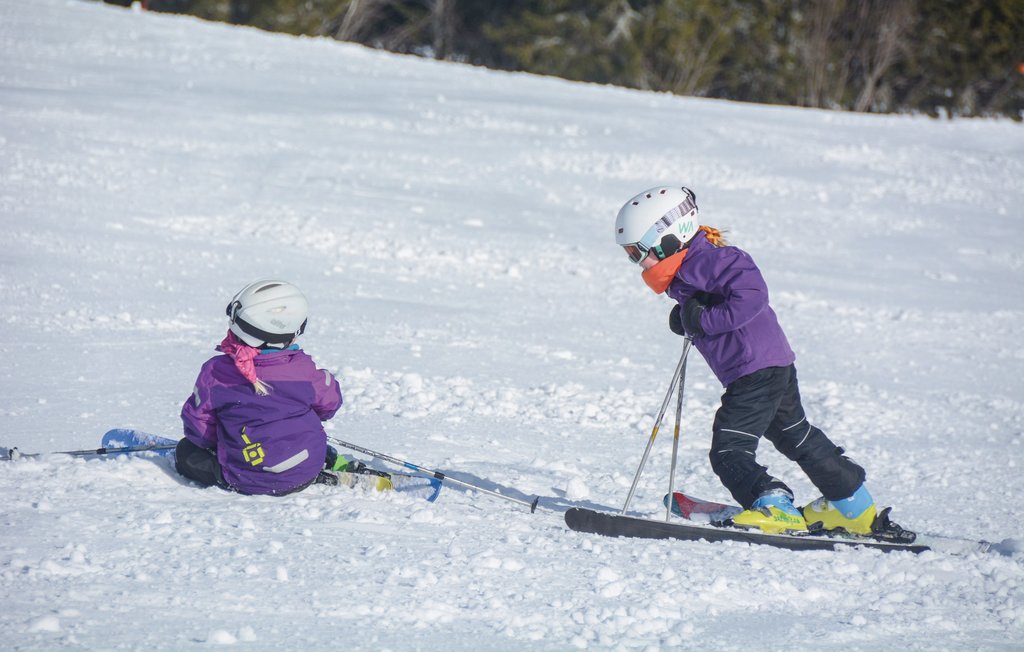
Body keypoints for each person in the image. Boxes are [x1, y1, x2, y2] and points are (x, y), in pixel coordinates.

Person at [614, 186, 877, 535]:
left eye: (637, 252)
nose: (636, 262)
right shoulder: (694, 269)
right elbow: (710, 308)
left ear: (668, 239)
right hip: (769, 364)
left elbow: (752, 296)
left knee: (729, 449)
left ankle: (772, 504)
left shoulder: (713, 260)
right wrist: (689, 317)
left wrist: (699, 318)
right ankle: (853, 505)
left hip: (754, 370)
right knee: (794, 435)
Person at [177, 279, 353, 496]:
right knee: (303, 437)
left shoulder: (215, 372)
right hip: (307, 468)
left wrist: (219, 442)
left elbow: (198, 427)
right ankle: (326, 461)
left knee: (185, 452)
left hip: (248, 477)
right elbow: (330, 403)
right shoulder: (303, 370)